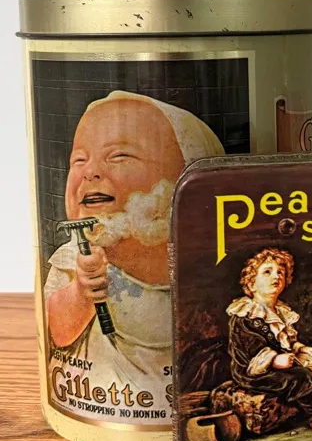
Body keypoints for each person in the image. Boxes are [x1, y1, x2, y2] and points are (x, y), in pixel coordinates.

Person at [44, 91, 225, 412]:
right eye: (79, 160)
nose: (90, 171)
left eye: (118, 156)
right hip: (104, 397)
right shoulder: (74, 259)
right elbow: (56, 332)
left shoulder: (208, 265)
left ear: (184, 180)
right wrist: (81, 293)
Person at [226, 248, 312, 429]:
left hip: (282, 364)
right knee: (301, 376)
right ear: (252, 284)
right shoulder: (245, 315)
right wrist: (274, 360)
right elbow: (249, 356)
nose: (276, 276)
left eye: (280, 272)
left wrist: (300, 348)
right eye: (267, 272)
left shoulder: (280, 311)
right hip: (254, 373)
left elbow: (287, 341)